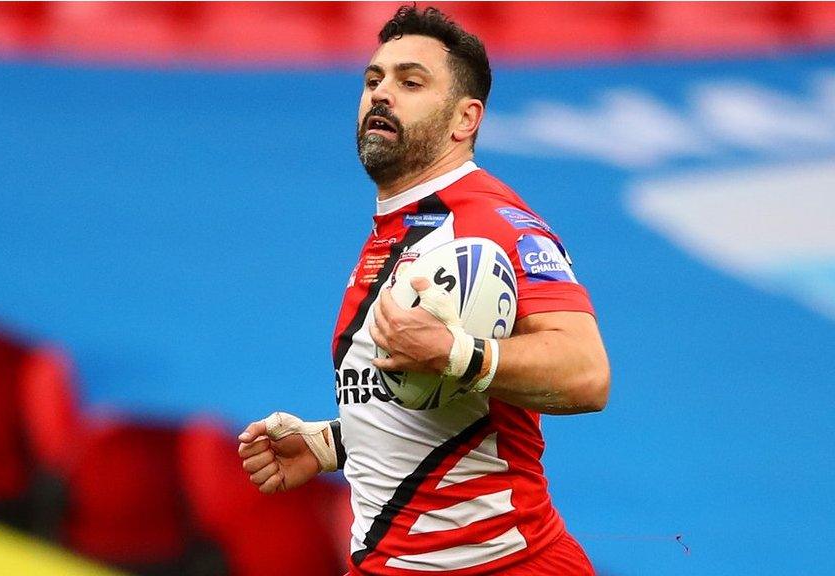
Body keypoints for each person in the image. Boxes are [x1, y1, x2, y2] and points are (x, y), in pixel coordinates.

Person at [237, 6, 610, 575]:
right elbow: (441, 404)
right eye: (373, 80)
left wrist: (459, 353)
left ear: (465, 120)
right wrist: (333, 444)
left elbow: (587, 374)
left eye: (411, 82)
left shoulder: (494, 223)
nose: (382, 93)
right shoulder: (399, 225)